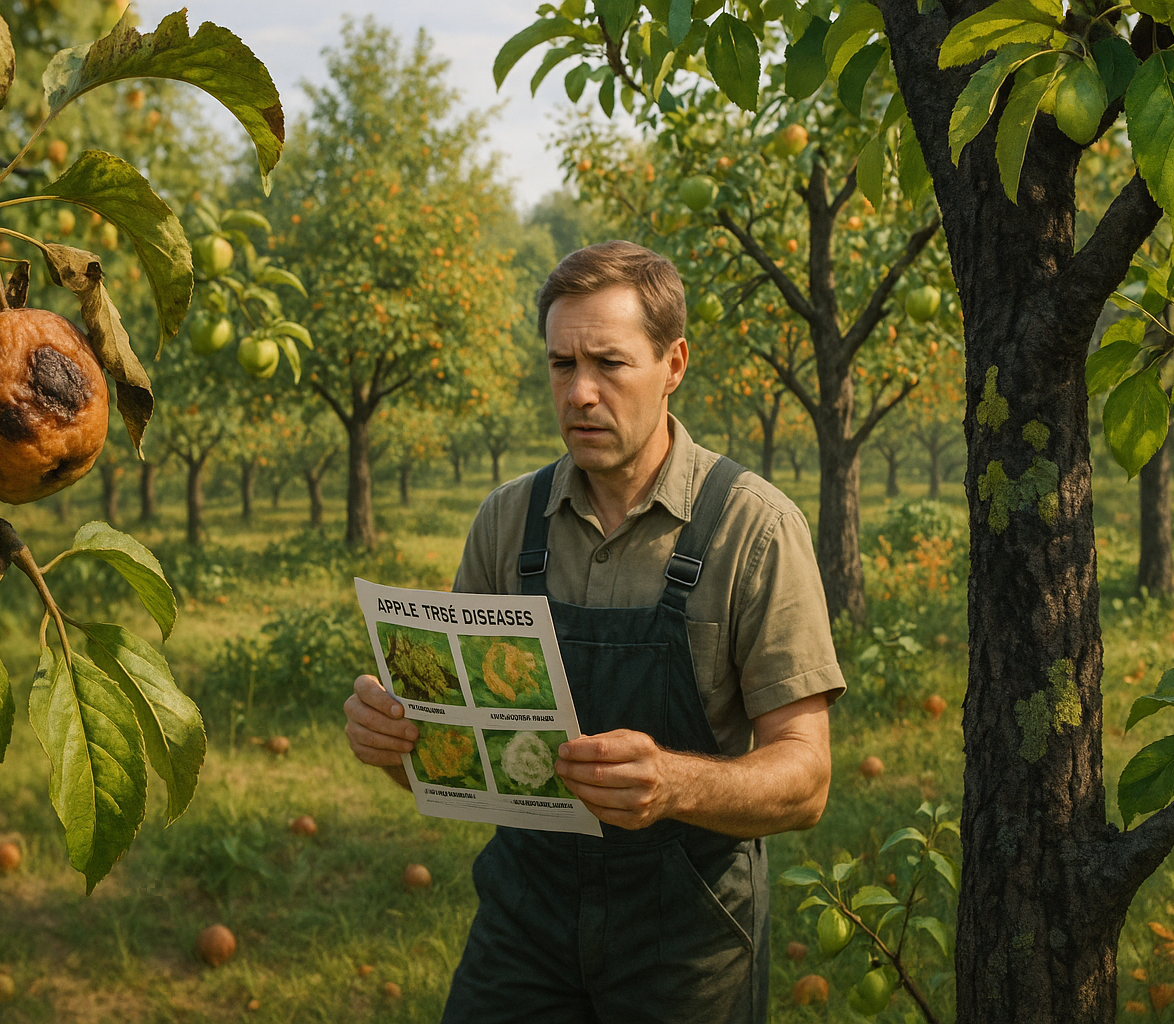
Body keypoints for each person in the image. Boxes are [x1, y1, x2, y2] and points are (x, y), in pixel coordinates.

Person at [343, 240, 844, 1023]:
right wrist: (396, 743)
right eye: (560, 365)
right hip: (525, 917)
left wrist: (675, 783)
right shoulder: (508, 521)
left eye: (609, 364)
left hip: (684, 936)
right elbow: (456, 768)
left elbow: (806, 781)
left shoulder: (753, 528)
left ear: (673, 364)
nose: (579, 393)